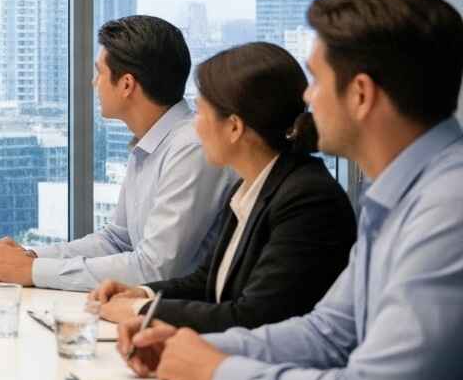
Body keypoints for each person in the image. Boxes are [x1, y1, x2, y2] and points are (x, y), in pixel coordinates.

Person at [118, 0, 463, 380]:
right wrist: (193, 346)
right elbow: (328, 334)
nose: (306, 97)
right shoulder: (396, 194)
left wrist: (218, 371)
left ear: (361, 94)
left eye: (317, 79)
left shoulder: (447, 207)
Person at [89, 42, 355, 333]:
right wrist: (143, 292)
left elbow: (252, 316)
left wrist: (140, 310)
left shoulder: (307, 200)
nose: (195, 127)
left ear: (234, 127)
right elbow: (208, 281)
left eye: (200, 113)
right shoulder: (249, 187)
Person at [0, 15, 236, 290]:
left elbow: (154, 268)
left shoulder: (191, 149)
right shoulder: (150, 143)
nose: (94, 83)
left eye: (99, 72)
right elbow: (117, 241)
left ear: (126, 85)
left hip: (178, 310)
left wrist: (33, 271)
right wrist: (30, 257)